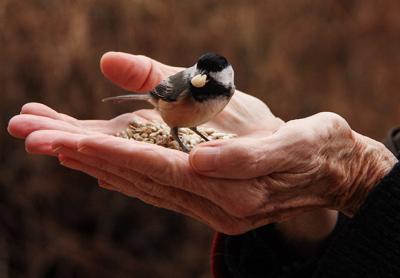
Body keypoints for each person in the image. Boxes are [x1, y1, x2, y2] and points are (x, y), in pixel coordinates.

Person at [7, 52, 400, 277]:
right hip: (170, 120)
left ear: (223, 81)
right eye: (196, 73)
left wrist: (363, 185)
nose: (197, 79)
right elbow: (160, 98)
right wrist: (314, 209)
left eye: (206, 76)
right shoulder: (182, 87)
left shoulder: (222, 93)